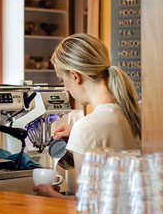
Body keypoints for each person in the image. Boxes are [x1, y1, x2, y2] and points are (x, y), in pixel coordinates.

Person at [33, 34, 141, 198]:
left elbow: (83, 207)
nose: (66, 89)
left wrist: (50, 195)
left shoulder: (86, 128)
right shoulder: (132, 113)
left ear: (75, 76)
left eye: (62, 80)